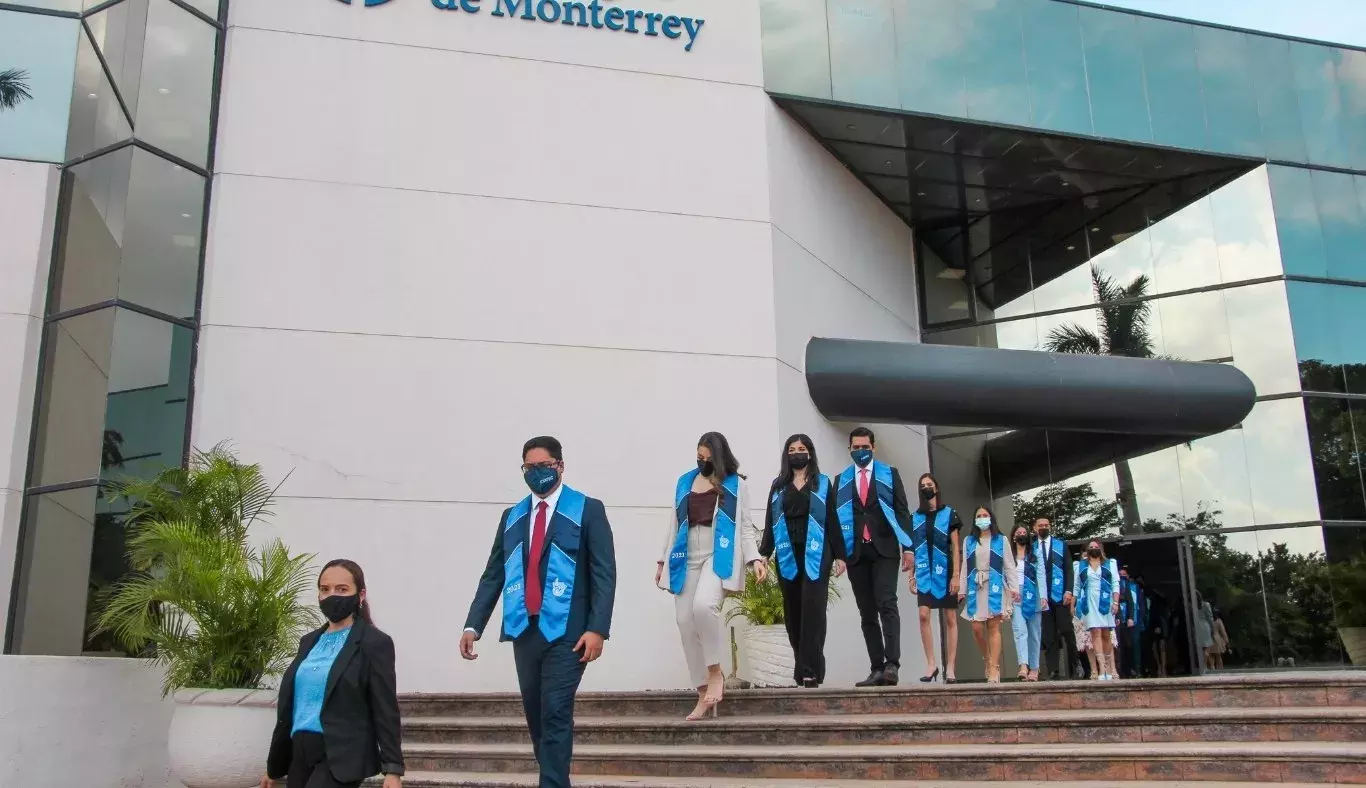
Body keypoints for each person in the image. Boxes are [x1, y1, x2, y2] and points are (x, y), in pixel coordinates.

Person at [461, 436, 617, 788]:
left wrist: (598, 628)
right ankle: (553, 777)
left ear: (560, 466)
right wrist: (474, 625)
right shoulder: (512, 517)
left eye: (543, 466)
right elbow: (494, 575)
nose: (536, 473)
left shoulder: (587, 509)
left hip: (570, 633)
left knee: (556, 711)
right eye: (528, 468)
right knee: (537, 716)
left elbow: (604, 573)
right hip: (524, 629)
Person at [263, 559, 403, 788]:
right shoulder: (308, 642)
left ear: (361, 595)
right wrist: (273, 767)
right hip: (300, 752)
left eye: (342, 589)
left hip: (342, 755)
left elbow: (385, 707)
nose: (332, 595)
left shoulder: (375, 643)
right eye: (325, 589)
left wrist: (393, 769)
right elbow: (290, 707)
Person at [657, 432, 765, 718]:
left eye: (707, 458)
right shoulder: (684, 482)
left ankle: (715, 671)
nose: (702, 462)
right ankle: (703, 691)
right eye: (698, 457)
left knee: (704, 606)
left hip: (717, 555)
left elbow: (744, 527)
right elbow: (673, 521)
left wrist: (754, 558)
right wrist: (661, 559)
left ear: (719, 457)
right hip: (685, 554)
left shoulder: (735, 485)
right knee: (684, 621)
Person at [759, 434, 845, 688]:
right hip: (788, 552)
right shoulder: (778, 486)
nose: (797, 453)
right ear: (787, 455)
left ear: (810, 453)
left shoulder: (822, 483)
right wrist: (763, 554)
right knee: (793, 612)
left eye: (802, 449)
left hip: (817, 552)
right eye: (792, 449)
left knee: (813, 610)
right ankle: (805, 664)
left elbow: (832, 520)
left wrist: (840, 555)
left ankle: (810, 670)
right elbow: (769, 522)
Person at [835, 427, 914, 687]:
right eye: (856, 447)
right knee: (866, 612)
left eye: (865, 447)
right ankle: (876, 667)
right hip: (856, 552)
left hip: (885, 549)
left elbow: (903, 511)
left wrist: (909, 547)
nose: (860, 451)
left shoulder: (889, 474)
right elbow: (836, 521)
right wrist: (839, 555)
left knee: (886, 603)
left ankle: (892, 664)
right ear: (849, 449)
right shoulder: (841, 480)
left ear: (873, 448)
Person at [908, 473, 962, 683]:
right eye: (923, 485)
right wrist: (911, 575)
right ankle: (931, 664)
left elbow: (956, 547)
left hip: (946, 570)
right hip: (923, 571)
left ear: (936, 488)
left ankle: (950, 668)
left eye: (929, 484)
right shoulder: (915, 517)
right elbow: (912, 548)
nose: (926, 488)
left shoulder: (949, 514)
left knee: (950, 618)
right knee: (923, 615)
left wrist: (957, 576)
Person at [958, 507, 1017, 683]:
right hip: (976, 585)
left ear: (991, 518)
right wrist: (961, 589)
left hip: (995, 584)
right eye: (979, 516)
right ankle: (988, 658)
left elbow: (1009, 565)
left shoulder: (1001, 540)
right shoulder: (969, 541)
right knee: (977, 629)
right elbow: (964, 567)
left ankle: (994, 667)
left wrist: (1014, 588)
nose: (982, 518)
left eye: (985, 515)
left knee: (994, 627)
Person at [1033, 517, 1078, 680]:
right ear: (1035, 528)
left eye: (1046, 525)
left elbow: (1068, 569)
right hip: (1043, 598)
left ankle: (1075, 665)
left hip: (1060, 595)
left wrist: (1069, 590)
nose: (1043, 527)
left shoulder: (1061, 545)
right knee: (1049, 635)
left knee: (1066, 630)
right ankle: (1053, 669)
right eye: (1040, 525)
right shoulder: (1032, 547)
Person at [1073, 539, 1120, 681]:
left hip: (1105, 600)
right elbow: (1076, 586)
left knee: (1106, 633)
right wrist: (1073, 604)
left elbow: (1115, 584)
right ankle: (1101, 668)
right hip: (1089, 601)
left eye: (1096, 546)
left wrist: (1116, 602)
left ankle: (1108, 666)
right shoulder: (1080, 565)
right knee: (1095, 631)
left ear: (1101, 549)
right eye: (1091, 546)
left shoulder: (1110, 563)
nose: (1093, 548)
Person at [1009, 524, 1042, 681]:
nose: (1021, 534)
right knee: (1020, 632)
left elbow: (1041, 576)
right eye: (1019, 532)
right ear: (1014, 536)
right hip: (1015, 596)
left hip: (1034, 595)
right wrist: (1009, 591)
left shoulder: (1036, 554)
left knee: (1034, 634)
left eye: (1024, 532)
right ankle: (1023, 665)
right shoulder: (1008, 555)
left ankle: (1034, 668)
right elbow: (1004, 575)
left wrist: (1044, 597)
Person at [1117, 565, 1145, 679]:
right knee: (1120, 647)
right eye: (1120, 575)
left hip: (1133, 621)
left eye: (1124, 575)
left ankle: (1137, 670)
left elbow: (1140, 604)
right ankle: (1123, 671)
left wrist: (1138, 619)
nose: (1122, 577)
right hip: (1120, 622)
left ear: (1128, 576)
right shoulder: (1115, 587)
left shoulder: (1134, 587)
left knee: (1134, 646)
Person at [1195, 591, 1216, 671]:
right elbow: (1210, 617)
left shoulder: (1191, 606)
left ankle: (1208, 666)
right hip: (1204, 626)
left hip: (1196, 626)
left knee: (1200, 648)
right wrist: (1212, 628)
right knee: (1206, 648)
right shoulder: (1206, 605)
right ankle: (1204, 666)